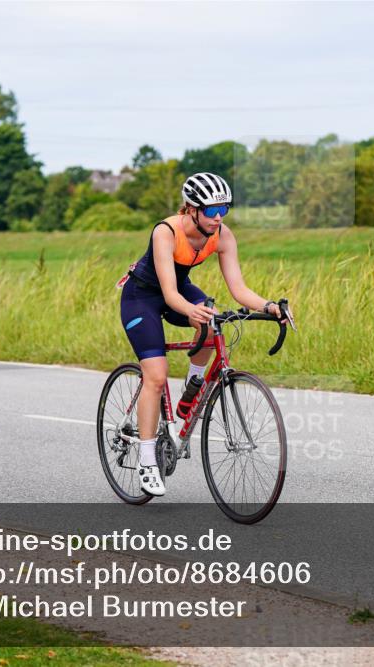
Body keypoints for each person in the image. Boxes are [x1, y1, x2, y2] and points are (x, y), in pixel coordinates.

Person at [117, 172, 286, 497]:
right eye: (210, 210)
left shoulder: (222, 235)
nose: (218, 216)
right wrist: (190, 310)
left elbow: (238, 289)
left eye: (224, 208)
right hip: (142, 298)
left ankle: (191, 390)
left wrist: (268, 306)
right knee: (155, 375)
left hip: (179, 290)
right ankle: (148, 460)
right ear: (191, 209)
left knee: (213, 321)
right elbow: (169, 294)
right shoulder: (167, 231)